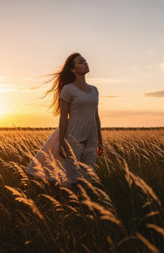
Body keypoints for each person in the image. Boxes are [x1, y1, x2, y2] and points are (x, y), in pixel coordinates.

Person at [26, 52, 103, 186]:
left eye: (85, 60)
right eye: (81, 62)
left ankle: (84, 204)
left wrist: (100, 140)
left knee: (87, 177)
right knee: (71, 178)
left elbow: (96, 116)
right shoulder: (68, 89)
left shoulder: (94, 90)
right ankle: (69, 203)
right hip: (73, 135)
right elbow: (63, 117)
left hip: (92, 136)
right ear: (73, 69)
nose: (85, 63)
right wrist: (61, 142)